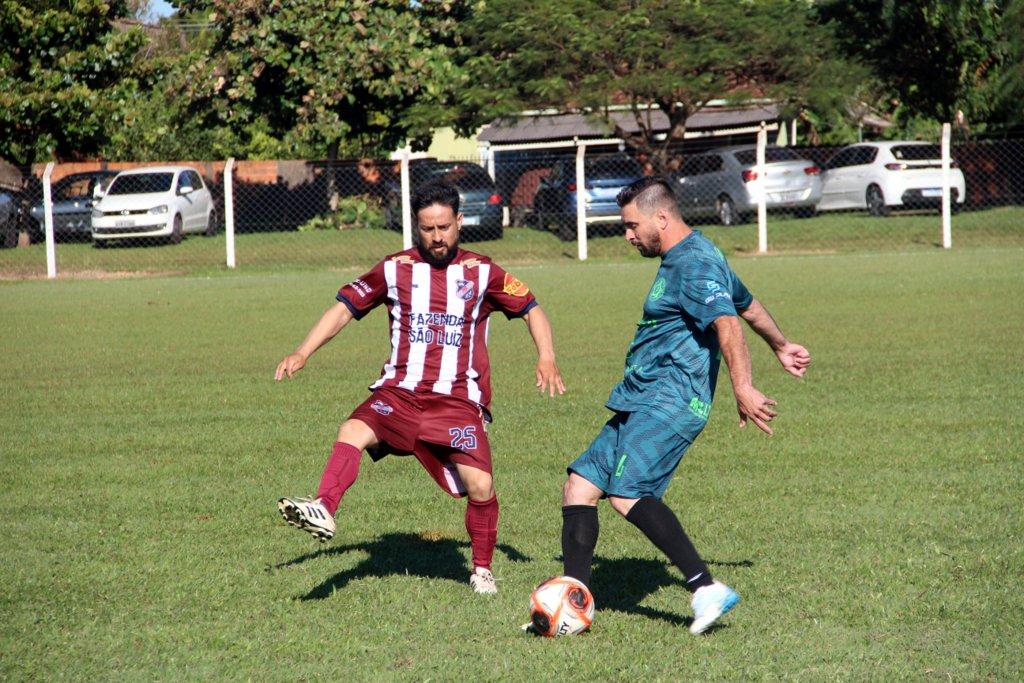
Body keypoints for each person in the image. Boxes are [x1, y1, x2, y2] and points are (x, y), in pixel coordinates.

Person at [276, 180, 565, 595]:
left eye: (444, 227)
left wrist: (546, 356)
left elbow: (531, 308)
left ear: (459, 222)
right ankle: (324, 507)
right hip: (400, 394)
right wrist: (303, 351)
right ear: (416, 225)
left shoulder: (482, 271)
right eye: (428, 228)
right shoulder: (394, 268)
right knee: (351, 431)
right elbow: (343, 310)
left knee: (480, 486)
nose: (437, 237)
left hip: (456, 402)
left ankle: (481, 568)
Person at [559, 177, 811, 633]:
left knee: (627, 491)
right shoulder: (695, 255)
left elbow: (727, 323)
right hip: (639, 395)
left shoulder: (694, 263)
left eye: (632, 225)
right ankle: (572, 603)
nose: (628, 235)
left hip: (672, 398)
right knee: (581, 484)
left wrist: (744, 386)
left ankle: (705, 587)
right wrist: (781, 344)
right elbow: (748, 305)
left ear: (661, 217)